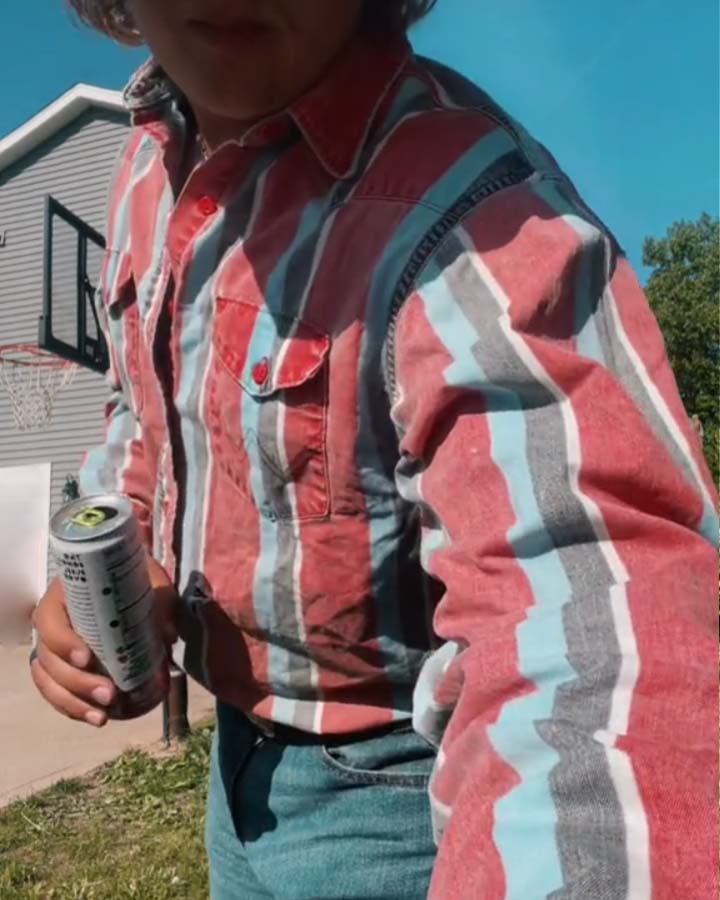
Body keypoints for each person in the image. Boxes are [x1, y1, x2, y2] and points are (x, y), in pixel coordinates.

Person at [30, 1, 718, 898]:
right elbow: (141, 402)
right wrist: (127, 554)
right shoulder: (145, 167)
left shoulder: (472, 214)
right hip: (236, 770)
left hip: (394, 791)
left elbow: (590, 619)